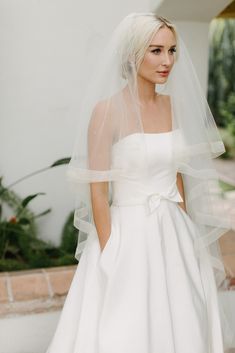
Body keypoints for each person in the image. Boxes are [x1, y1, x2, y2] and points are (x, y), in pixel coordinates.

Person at [46, 13, 234, 353]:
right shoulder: (107, 111)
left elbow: (176, 175)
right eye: (156, 51)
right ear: (133, 53)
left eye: (172, 50)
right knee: (127, 327)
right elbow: (98, 191)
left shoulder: (173, 107)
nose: (167, 61)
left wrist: (189, 232)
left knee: (185, 318)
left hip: (175, 231)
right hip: (127, 234)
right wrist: (109, 252)